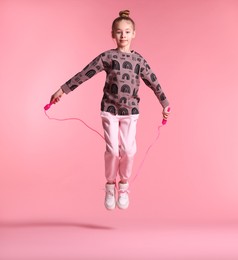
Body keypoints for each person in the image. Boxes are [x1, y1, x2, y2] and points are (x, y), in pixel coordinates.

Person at [49, 10, 170, 210]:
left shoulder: (139, 61)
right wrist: (63, 90)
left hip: (131, 112)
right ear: (112, 34)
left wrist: (165, 103)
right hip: (110, 110)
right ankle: (109, 185)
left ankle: (123, 185)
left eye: (127, 31)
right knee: (113, 150)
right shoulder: (107, 57)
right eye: (119, 32)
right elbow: (85, 73)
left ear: (134, 34)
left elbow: (154, 82)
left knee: (129, 151)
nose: (123, 35)